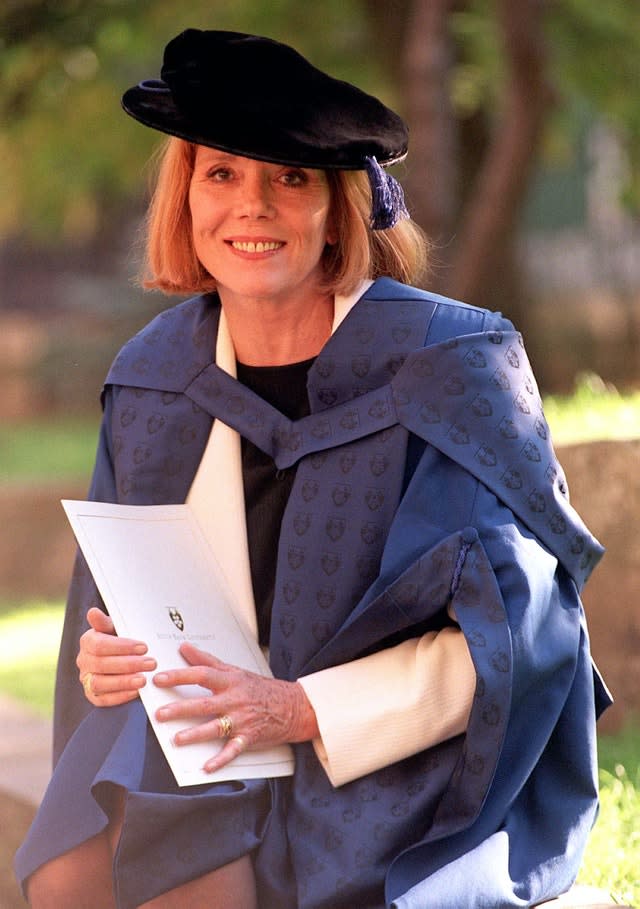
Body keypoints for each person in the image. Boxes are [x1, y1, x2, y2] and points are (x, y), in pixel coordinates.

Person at [16, 28, 611, 909]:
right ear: (186, 198)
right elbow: (113, 615)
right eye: (222, 174)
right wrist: (106, 662)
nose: (250, 206)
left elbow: (526, 636)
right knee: (75, 870)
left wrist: (300, 710)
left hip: (400, 768)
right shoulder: (153, 380)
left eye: (289, 179)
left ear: (341, 206)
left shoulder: (451, 365)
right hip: (214, 746)